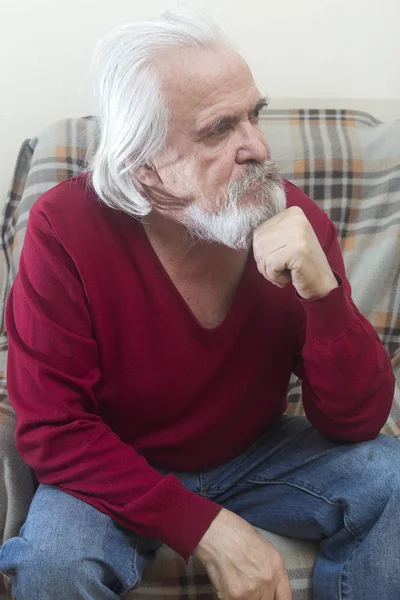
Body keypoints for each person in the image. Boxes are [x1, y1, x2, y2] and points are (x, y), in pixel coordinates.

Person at [0, 7, 398, 600]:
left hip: (254, 453)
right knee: (56, 561)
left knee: (390, 477)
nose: (258, 147)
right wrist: (207, 530)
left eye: (253, 115)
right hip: (114, 465)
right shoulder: (65, 228)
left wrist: (326, 299)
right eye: (219, 129)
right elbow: (54, 430)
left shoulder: (289, 217)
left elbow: (355, 423)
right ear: (142, 161)